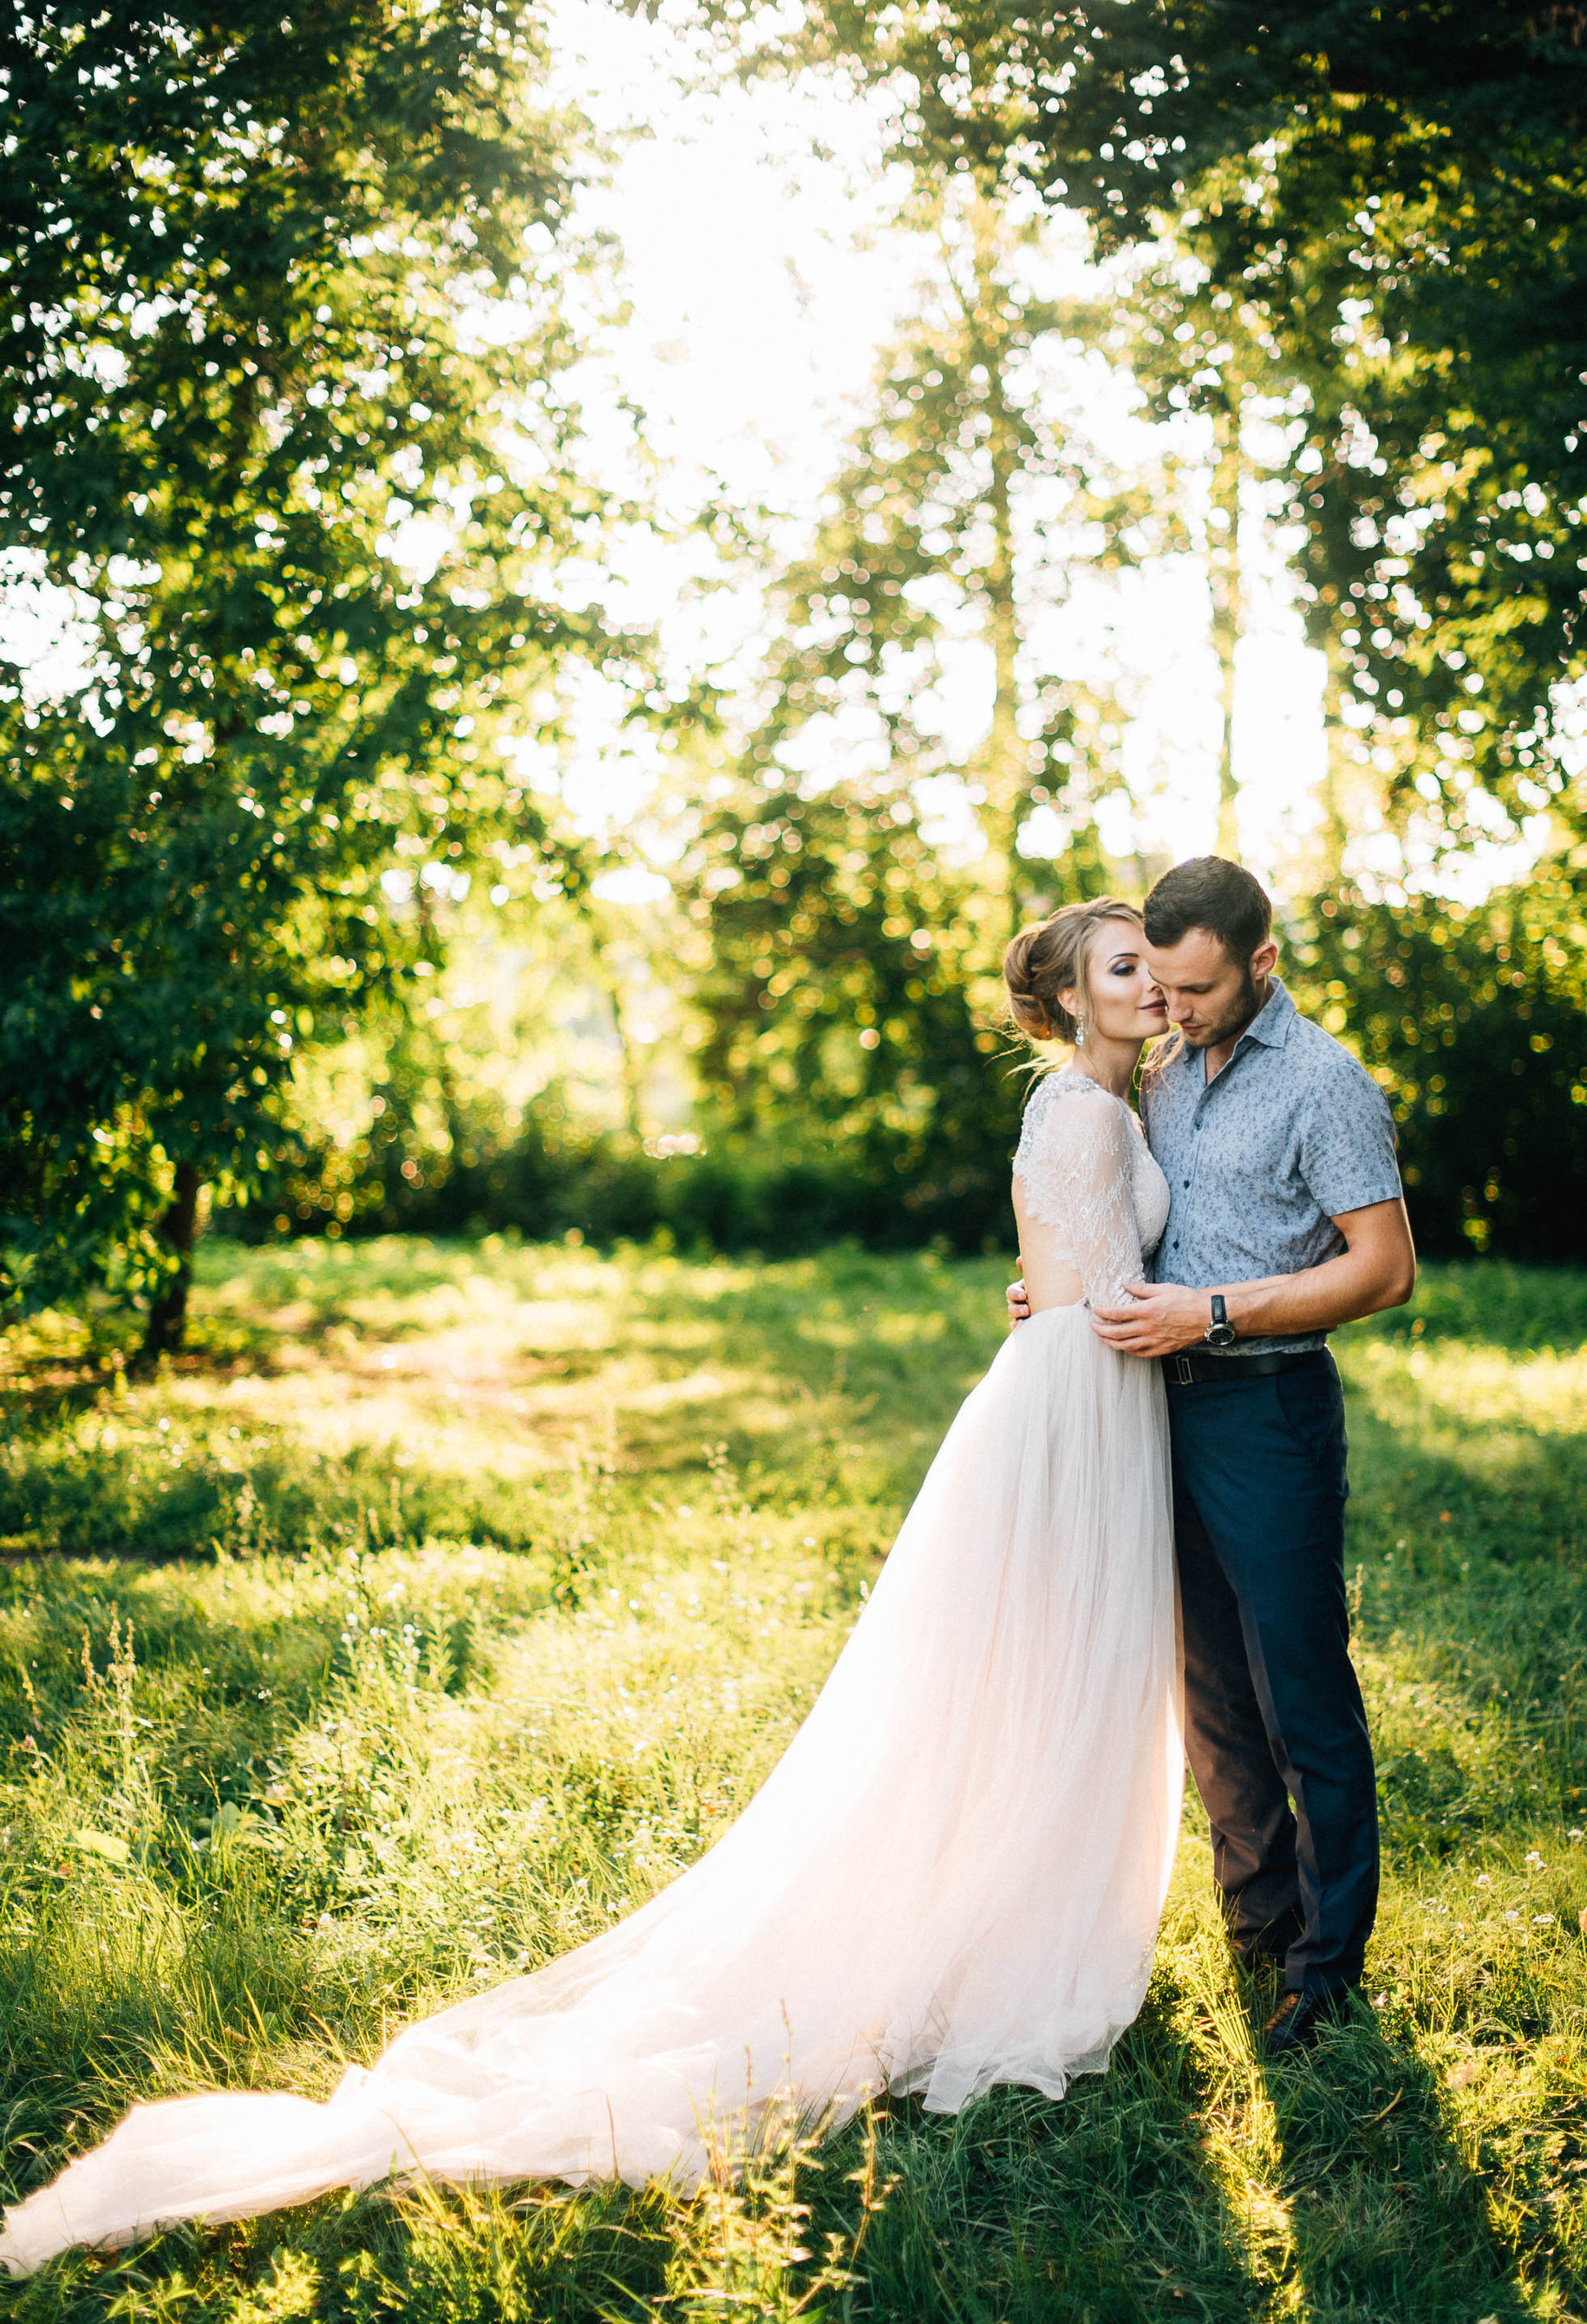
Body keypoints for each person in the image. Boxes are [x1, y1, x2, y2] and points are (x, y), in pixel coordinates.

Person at [0, 898, 1184, 2275]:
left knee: (1057, 1684)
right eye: (1122, 968)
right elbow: (1096, 1279)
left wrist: (1063, 1295)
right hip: (1084, 1401)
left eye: (1152, 964)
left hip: (1085, 1389)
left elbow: (1070, 1263)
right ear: (1067, 1000)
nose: (1149, 983)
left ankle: (1019, 1914)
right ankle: (1002, 1949)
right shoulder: (1086, 1112)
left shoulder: (1109, 1103)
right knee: (1043, 1682)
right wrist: (1129, 1309)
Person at [1010, 856, 1414, 2052]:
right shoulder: (1169, 1074)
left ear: (1261, 964)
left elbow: (1384, 1270)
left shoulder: (1326, 1085)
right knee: (1210, 1696)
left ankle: (1329, 1964)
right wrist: (1062, 1296)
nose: (1175, 1012)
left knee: (1301, 1691)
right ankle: (1260, 1925)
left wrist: (1217, 1315)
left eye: (1196, 990)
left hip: (1265, 1409)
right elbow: (1111, 1213)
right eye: (1163, 988)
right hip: (1148, 1405)